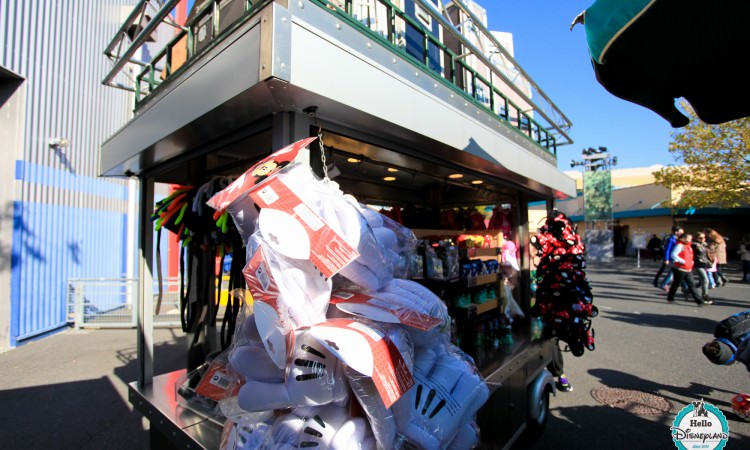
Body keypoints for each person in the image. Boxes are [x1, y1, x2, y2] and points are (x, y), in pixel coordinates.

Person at [667, 233, 710, 305]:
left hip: (688, 269)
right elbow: (673, 255)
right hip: (680, 269)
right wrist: (683, 261)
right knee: (676, 284)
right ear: (683, 238)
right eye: (688, 238)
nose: (690, 240)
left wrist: (691, 262)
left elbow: (690, 256)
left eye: (690, 238)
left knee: (692, 285)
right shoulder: (679, 246)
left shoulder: (688, 246)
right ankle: (670, 298)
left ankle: (699, 301)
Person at [691, 232, 714, 302]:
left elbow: (707, 253)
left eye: (704, 237)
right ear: (696, 238)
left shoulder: (704, 244)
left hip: (704, 264)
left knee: (701, 281)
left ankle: (689, 290)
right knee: (705, 279)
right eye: (700, 238)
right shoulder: (694, 245)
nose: (703, 239)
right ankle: (705, 295)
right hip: (697, 264)